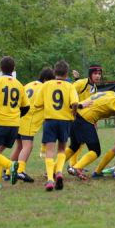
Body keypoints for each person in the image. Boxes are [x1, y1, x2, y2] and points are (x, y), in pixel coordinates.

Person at [34, 60, 85, 191]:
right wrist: (73, 114)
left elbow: (37, 104)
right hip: (64, 121)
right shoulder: (69, 86)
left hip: (50, 121)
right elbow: (74, 103)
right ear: (66, 73)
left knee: (49, 151)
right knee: (62, 149)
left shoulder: (46, 85)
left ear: (54, 72)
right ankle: (59, 172)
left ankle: (50, 179)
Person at [0, 57, 29, 190]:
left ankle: (11, 166)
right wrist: (15, 116)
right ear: (13, 69)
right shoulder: (19, 84)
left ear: (0, 68)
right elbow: (26, 107)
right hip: (14, 125)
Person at [6, 67, 55, 183]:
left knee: (19, 146)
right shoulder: (44, 88)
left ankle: (8, 172)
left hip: (19, 117)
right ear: (46, 79)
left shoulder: (29, 84)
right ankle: (20, 171)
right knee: (28, 146)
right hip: (29, 119)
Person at [65, 91, 115, 179]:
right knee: (95, 151)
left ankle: (54, 169)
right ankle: (76, 168)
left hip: (76, 115)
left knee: (74, 146)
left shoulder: (111, 93)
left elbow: (98, 104)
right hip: (85, 119)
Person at [67, 64, 103, 168]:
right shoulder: (81, 83)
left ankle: (73, 164)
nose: (98, 76)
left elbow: (91, 105)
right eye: (95, 73)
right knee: (77, 143)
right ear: (90, 74)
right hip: (73, 116)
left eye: (99, 74)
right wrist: (79, 105)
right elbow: (68, 93)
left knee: (78, 143)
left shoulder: (94, 88)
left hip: (84, 118)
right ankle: (73, 165)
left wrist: (94, 121)